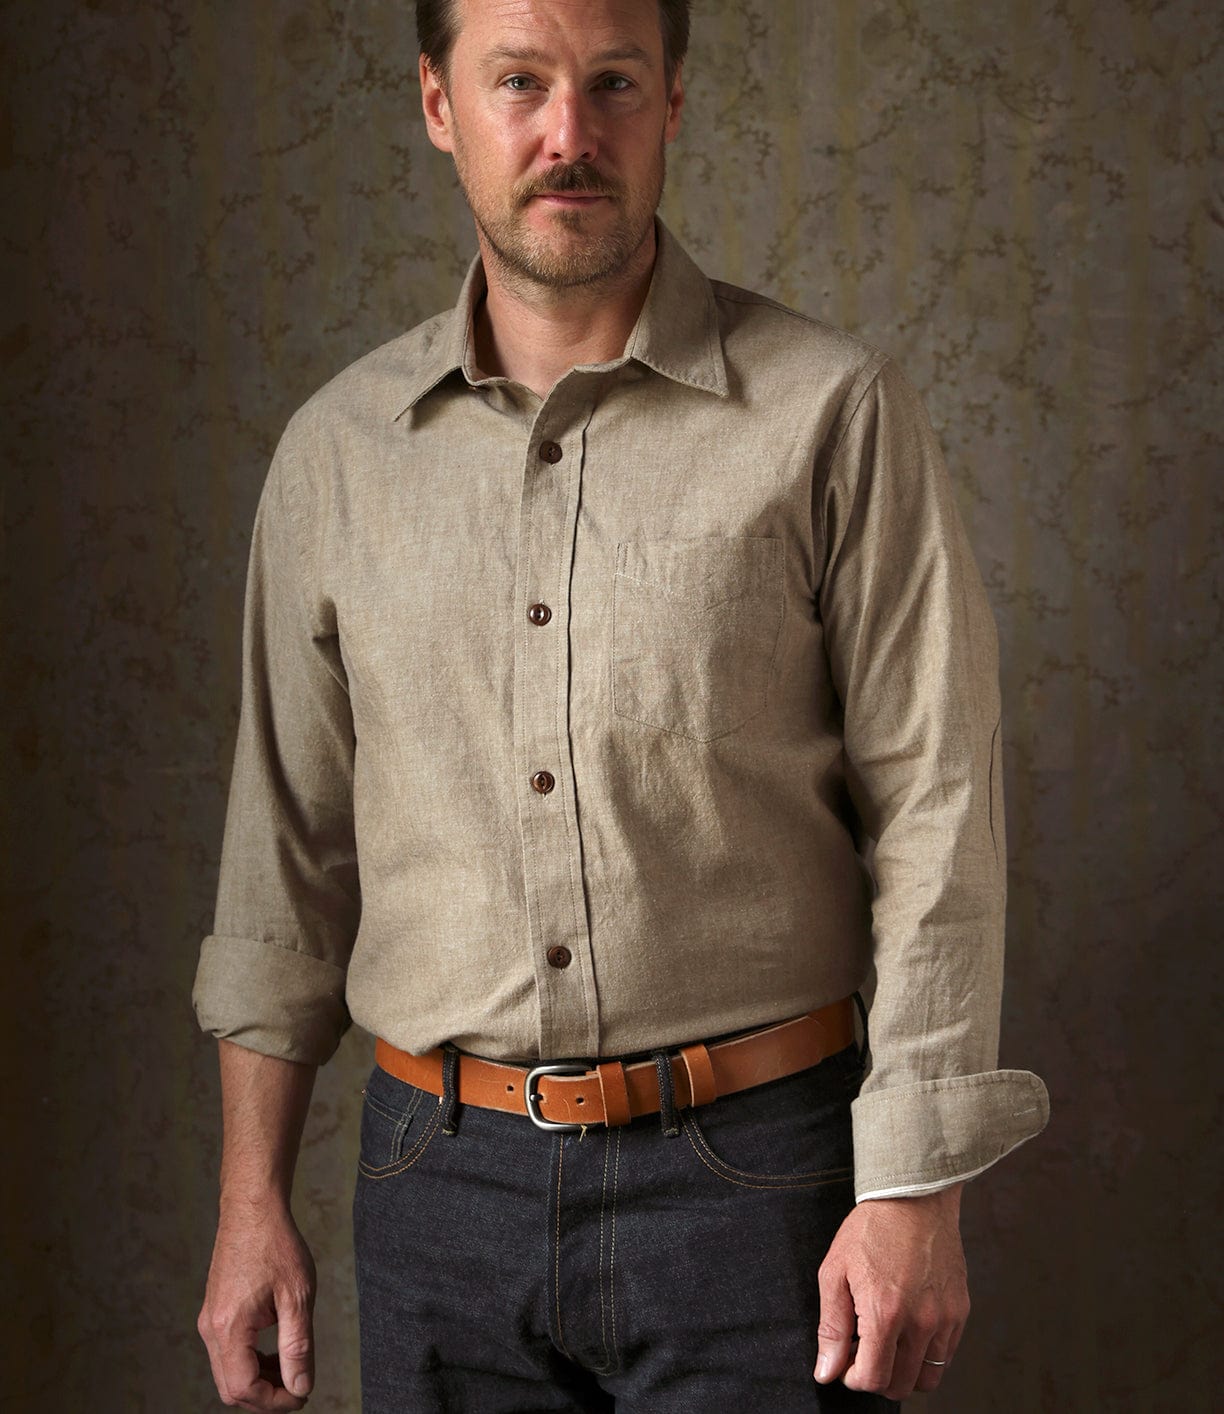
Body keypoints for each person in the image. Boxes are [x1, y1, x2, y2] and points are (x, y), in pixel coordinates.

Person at [193, 1, 1049, 1409]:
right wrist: (246, 1203)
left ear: (673, 103)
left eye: (613, 83)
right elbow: (281, 860)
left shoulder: (834, 416)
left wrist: (916, 1192)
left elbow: (938, 814)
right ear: (436, 100)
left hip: (760, 1182)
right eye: (518, 81)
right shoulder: (334, 458)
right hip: (434, 1192)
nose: (567, 133)